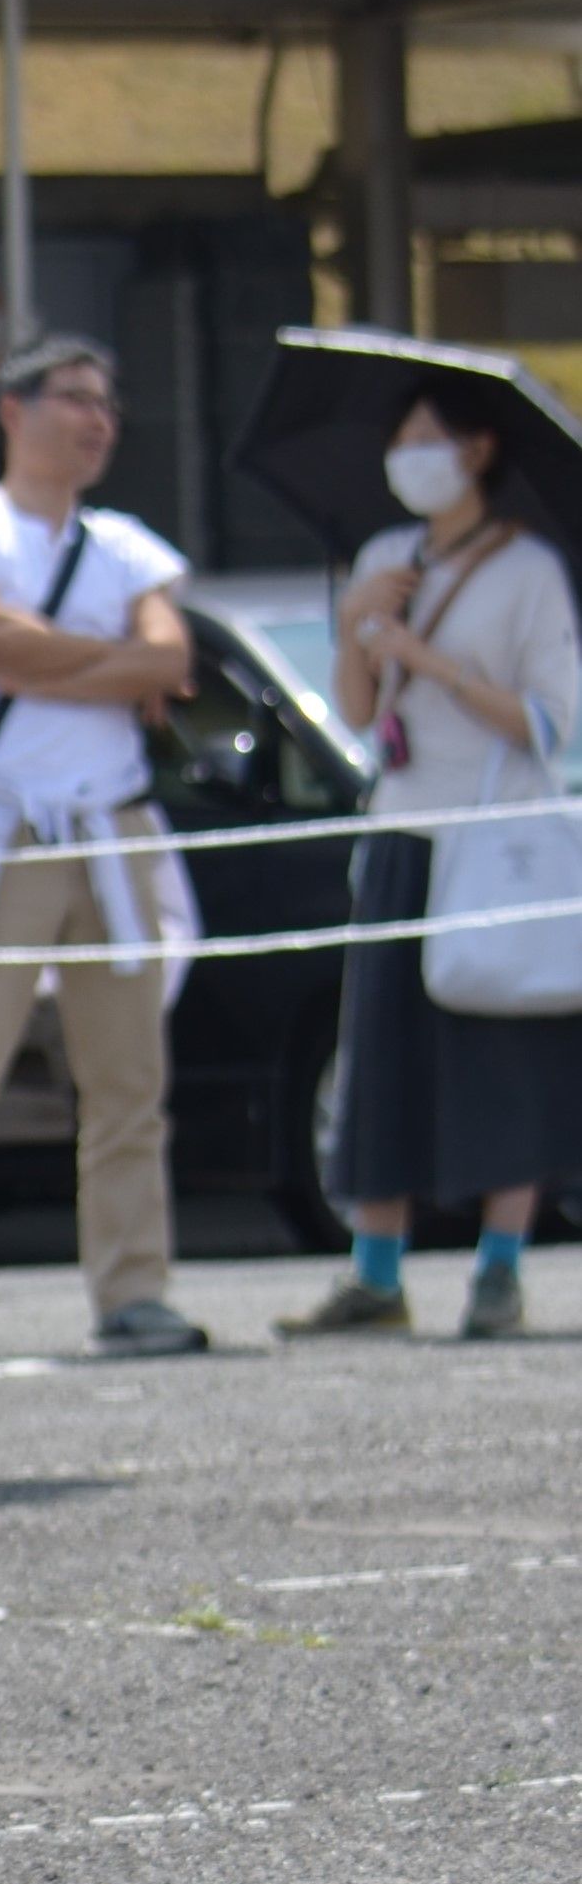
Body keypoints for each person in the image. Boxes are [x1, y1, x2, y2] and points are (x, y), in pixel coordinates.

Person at [0, 336, 207, 1363]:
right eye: (73, 396)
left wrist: (73, 659)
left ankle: (132, 1290)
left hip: (109, 825)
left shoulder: (126, 544)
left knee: (127, 1083)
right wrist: (113, 665)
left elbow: (170, 657)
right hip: (0, 823)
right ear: (14, 411)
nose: (96, 418)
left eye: (107, 403)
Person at [281, 380, 582, 1340]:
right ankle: (376, 1271)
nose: (412, 457)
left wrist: (435, 657)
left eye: (431, 440)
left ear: (480, 451)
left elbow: (548, 722)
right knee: (382, 1048)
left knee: (501, 1049)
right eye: (401, 438)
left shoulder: (529, 569)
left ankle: (498, 1269)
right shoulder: (382, 556)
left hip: (495, 838)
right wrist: (362, 628)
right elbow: (361, 712)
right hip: (400, 829)